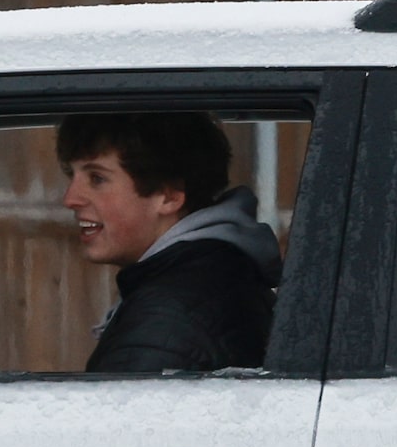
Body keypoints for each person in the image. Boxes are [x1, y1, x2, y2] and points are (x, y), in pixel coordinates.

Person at [58, 111, 280, 374]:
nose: (70, 198)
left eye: (97, 178)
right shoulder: (220, 274)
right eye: (71, 175)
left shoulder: (166, 320)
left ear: (168, 195)